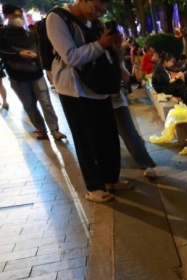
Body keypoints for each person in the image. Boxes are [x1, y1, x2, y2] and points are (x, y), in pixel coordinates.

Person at [47, 0, 128, 204]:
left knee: (108, 137)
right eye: (95, 8)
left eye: (103, 11)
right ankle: (94, 188)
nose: (98, 13)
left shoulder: (96, 22)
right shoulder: (58, 18)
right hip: (74, 90)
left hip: (99, 86)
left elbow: (104, 53)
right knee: (86, 141)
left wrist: (114, 46)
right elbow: (70, 57)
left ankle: (110, 179)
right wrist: (101, 44)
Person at [0, 4, 66, 140]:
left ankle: (55, 130)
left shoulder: (29, 34)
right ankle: (41, 130)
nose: (18, 18)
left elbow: (40, 50)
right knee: (29, 105)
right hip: (17, 77)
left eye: (19, 15)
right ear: (6, 16)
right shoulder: (2, 34)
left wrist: (37, 57)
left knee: (46, 102)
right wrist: (19, 54)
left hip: (36, 73)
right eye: (14, 15)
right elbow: (3, 52)